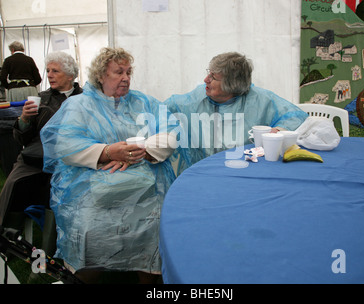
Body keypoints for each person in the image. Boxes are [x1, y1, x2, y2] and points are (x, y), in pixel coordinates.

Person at [40, 47, 177, 284]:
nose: (125, 78)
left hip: (144, 183)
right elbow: (65, 145)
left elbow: (172, 132)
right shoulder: (79, 106)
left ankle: (150, 276)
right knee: (90, 227)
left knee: (155, 222)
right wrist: (107, 152)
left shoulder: (144, 102)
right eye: (118, 72)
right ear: (101, 75)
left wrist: (141, 151)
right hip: (92, 184)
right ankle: (85, 275)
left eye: (128, 72)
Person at [164, 52, 308, 173]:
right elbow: (162, 109)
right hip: (201, 172)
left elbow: (296, 115)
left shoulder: (261, 99)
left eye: (213, 77)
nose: (205, 80)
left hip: (247, 172)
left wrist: (279, 130)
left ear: (231, 85)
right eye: (209, 73)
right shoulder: (196, 98)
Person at [0, 52, 82, 229]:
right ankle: (7, 234)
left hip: (72, 158)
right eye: (48, 70)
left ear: (70, 75)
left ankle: (55, 236)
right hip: (37, 157)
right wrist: (24, 120)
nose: (49, 75)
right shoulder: (42, 98)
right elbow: (22, 139)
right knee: (15, 184)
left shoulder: (85, 99)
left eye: (55, 71)